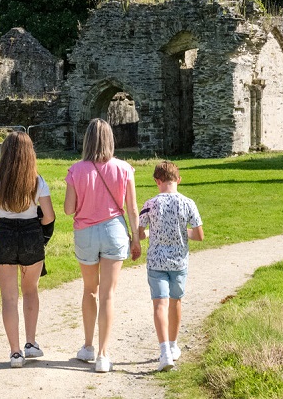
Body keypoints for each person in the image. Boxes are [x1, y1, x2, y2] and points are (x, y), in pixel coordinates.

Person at [64, 118, 141, 373]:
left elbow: (68, 209)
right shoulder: (124, 168)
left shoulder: (76, 170)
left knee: (90, 291)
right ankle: (104, 355)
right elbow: (131, 207)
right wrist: (136, 238)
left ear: (87, 140)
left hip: (85, 232)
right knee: (108, 294)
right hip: (114, 230)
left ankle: (87, 346)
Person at [0, 131, 55, 368]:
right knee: (31, 290)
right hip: (30, 234)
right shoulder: (37, 181)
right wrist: (40, 232)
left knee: (9, 297)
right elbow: (49, 216)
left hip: (4, 233)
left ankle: (15, 352)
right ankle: (31, 343)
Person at [136, 161, 203, 372]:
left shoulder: (150, 203)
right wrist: (184, 234)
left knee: (159, 305)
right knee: (176, 302)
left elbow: (140, 232)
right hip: (179, 262)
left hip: (156, 262)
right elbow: (199, 235)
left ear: (157, 181)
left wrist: (149, 234)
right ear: (178, 180)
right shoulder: (188, 203)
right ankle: (174, 345)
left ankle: (164, 351)